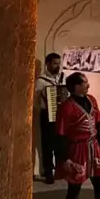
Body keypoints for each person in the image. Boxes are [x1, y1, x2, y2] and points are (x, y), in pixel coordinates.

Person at [35, 52, 64, 183]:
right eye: (54, 63)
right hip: (46, 114)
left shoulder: (62, 78)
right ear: (47, 64)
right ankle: (48, 172)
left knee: (60, 143)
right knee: (47, 145)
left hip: (61, 116)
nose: (57, 66)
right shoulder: (41, 81)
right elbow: (36, 99)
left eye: (59, 63)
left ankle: (60, 169)